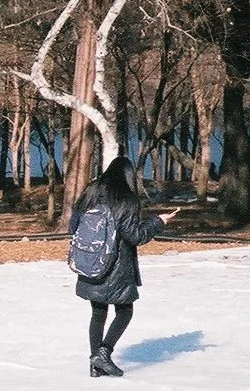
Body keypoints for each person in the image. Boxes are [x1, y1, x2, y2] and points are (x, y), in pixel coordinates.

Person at [70, 156, 178, 378]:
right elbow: (136, 236)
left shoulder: (90, 191)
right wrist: (159, 222)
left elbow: (74, 225)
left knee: (98, 312)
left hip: (91, 262)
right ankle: (103, 353)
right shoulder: (126, 199)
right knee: (125, 310)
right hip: (117, 266)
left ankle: (96, 364)